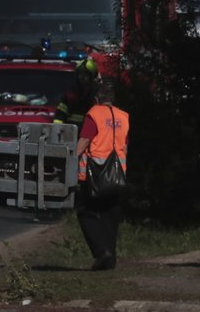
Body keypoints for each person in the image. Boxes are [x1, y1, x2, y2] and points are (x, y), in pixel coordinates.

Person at [75, 80, 129, 271]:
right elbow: (125, 146)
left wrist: (69, 159)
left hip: (93, 177)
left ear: (97, 98)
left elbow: (84, 142)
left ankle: (101, 252)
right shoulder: (124, 116)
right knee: (110, 216)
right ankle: (110, 260)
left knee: (85, 212)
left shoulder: (94, 114)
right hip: (117, 176)